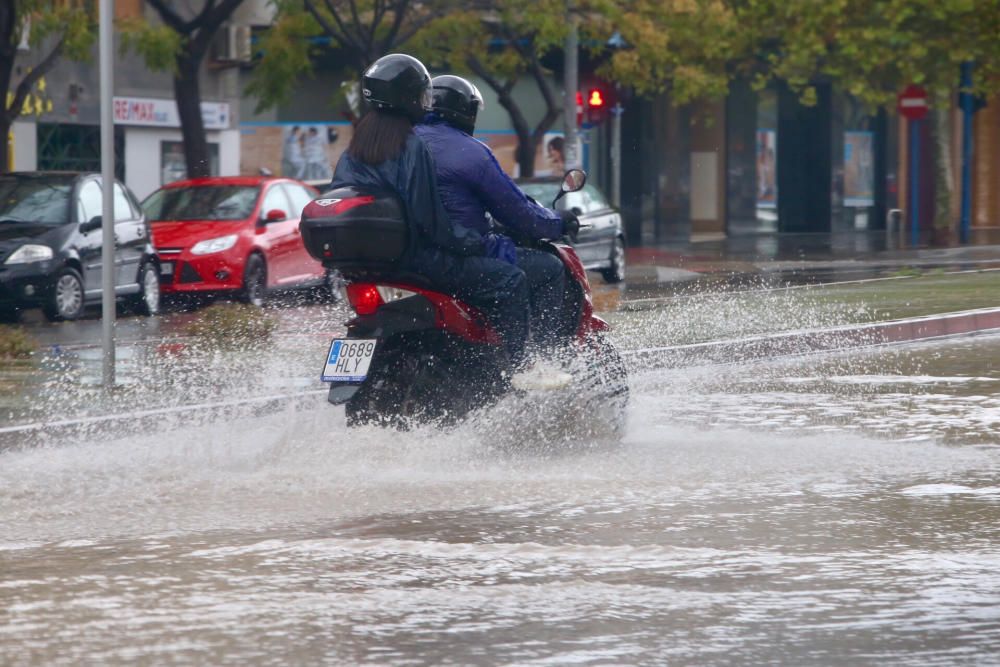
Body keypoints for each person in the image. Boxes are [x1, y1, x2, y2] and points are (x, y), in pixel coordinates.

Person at [328, 54, 532, 369]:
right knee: (510, 280)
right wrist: (478, 243)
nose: (425, 102)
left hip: (370, 268)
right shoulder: (409, 146)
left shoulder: (355, 148)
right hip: (418, 260)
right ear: (408, 97)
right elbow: (432, 223)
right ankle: (520, 369)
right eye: (422, 94)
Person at [415, 74, 579, 352]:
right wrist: (558, 223)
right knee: (550, 269)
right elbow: (517, 211)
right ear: (466, 111)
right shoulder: (470, 152)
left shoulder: (403, 142)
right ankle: (539, 362)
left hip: (412, 256)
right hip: (458, 253)